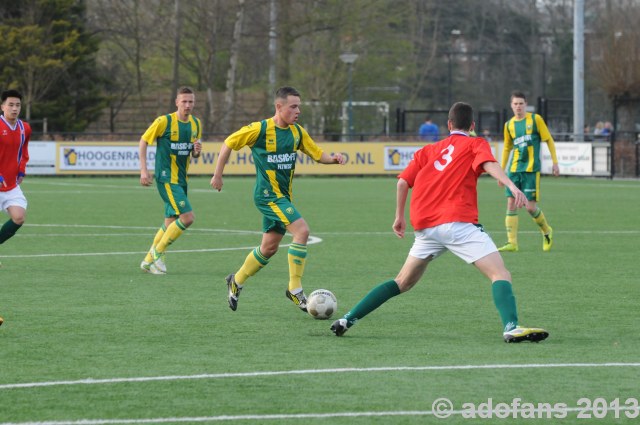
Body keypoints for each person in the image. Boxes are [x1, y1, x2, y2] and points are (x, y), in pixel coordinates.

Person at [330, 102, 549, 343]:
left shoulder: (428, 150)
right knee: (500, 274)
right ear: (473, 126)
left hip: (425, 228)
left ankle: (347, 319)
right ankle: (511, 326)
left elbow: (402, 183)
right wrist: (510, 184)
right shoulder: (476, 143)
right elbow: (489, 164)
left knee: (401, 282)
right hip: (457, 224)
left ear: (448, 125)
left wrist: (399, 216)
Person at [211, 86, 345, 312]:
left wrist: (333, 159)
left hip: (283, 197)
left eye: (299, 106)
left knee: (269, 248)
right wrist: (217, 174)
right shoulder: (260, 129)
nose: (298, 111)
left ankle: (237, 281)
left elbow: (316, 154)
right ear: (279, 107)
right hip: (267, 196)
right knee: (302, 231)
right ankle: (294, 288)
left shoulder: (297, 132)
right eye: (293, 106)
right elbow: (229, 143)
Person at [139, 86, 202, 274]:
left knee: (170, 221)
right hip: (166, 178)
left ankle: (148, 260)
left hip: (182, 179)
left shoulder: (196, 124)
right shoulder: (164, 121)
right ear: (177, 102)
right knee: (188, 218)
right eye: (184, 101)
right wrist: (144, 170)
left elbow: (193, 153)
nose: (188, 105)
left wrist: (196, 152)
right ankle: (158, 253)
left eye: (191, 101)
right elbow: (143, 141)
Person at [497, 91, 559, 253]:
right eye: (515, 104)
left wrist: (555, 162)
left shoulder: (535, 119)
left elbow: (549, 140)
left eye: (521, 104)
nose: (518, 106)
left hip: (531, 170)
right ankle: (512, 243)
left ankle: (546, 231)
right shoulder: (508, 125)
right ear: (511, 106)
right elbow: (507, 148)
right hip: (514, 170)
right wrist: (501, 172)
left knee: (530, 208)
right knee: (510, 202)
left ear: (525, 105)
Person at [0, 89, 31, 327]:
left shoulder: (24, 128)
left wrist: (21, 169)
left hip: (11, 185)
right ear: (2, 106)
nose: (14, 108)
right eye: (10, 104)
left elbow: (23, 153)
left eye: (17, 105)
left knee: (19, 217)